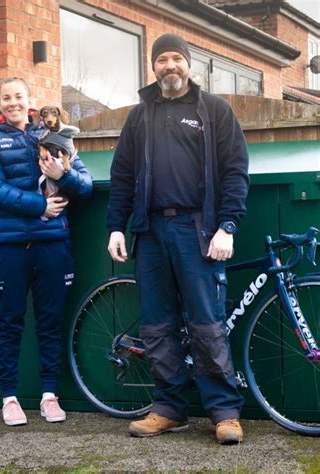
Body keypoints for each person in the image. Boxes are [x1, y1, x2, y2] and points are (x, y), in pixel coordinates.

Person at [107, 34, 249, 444]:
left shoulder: (215, 111)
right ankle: (169, 408)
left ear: (190, 65)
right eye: (162, 60)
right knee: (156, 325)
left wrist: (228, 225)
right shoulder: (139, 116)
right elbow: (121, 176)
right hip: (149, 232)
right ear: (153, 67)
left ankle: (224, 412)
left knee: (206, 323)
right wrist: (116, 225)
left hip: (197, 230)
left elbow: (236, 172)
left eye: (177, 59)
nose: (170, 66)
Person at [0, 77, 92, 426]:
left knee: (50, 323)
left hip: (52, 246)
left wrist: (61, 174)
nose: (13, 103)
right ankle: (9, 398)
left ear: (29, 102)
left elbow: (83, 187)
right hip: (7, 248)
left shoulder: (55, 136)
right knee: (8, 324)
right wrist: (39, 206)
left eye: (19, 97)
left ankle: (49, 396)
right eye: (6, 97)